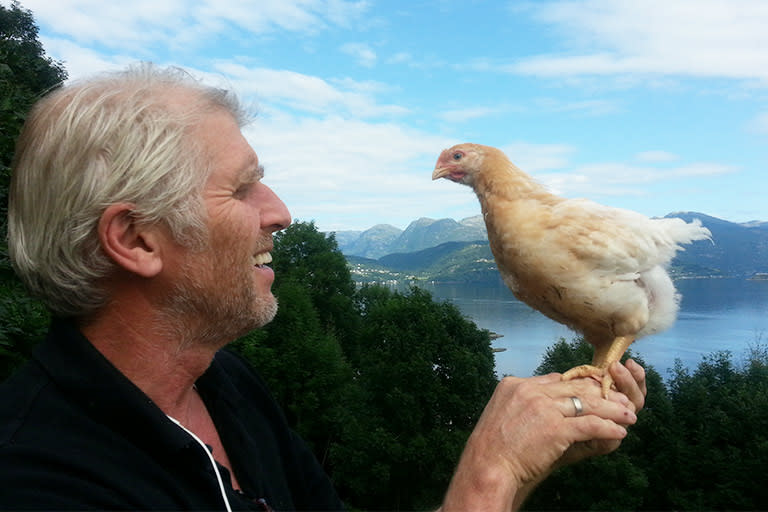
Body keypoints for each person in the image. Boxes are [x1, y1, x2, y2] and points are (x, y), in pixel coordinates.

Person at [0, 64, 646, 511]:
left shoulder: (227, 388)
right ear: (138, 239)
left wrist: (525, 462)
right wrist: (490, 476)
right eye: (243, 186)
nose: (280, 211)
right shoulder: (39, 481)